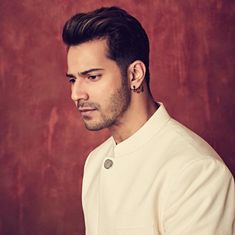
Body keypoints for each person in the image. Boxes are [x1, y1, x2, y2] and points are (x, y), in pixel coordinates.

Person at [62, 6, 235, 235]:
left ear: (135, 74)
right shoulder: (95, 162)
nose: (76, 94)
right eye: (73, 80)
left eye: (92, 77)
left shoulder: (197, 172)